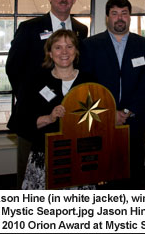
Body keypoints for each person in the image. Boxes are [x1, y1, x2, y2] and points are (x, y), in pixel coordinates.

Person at [6, 0, 88, 188]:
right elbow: (13, 68)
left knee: (68, 176)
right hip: (35, 118)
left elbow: (80, 69)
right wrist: (30, 101)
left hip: (70, 120)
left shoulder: (81, 30)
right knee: (30, 176)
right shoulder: (29, 28)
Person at [80, 0, 145, 189]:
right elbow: (87, 84)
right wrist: (108, 113)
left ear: (130, 16)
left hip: (135, 120)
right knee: (103, 174)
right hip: (100, 121)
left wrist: (127, 111)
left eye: (124, 13)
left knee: (134, 175)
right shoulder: (90, 45)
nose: (119, 18)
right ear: (107, 17)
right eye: (114, 13)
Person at [10, 29, 94, 189]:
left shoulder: (90, 81)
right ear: (49, 52)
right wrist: (49, 118)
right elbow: (19, 121)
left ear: (76, 52)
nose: (64, 52)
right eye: (58, 47)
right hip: (44, 158)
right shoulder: (34, 81)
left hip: (80, 159)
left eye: (69, 47)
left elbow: (101, 122)